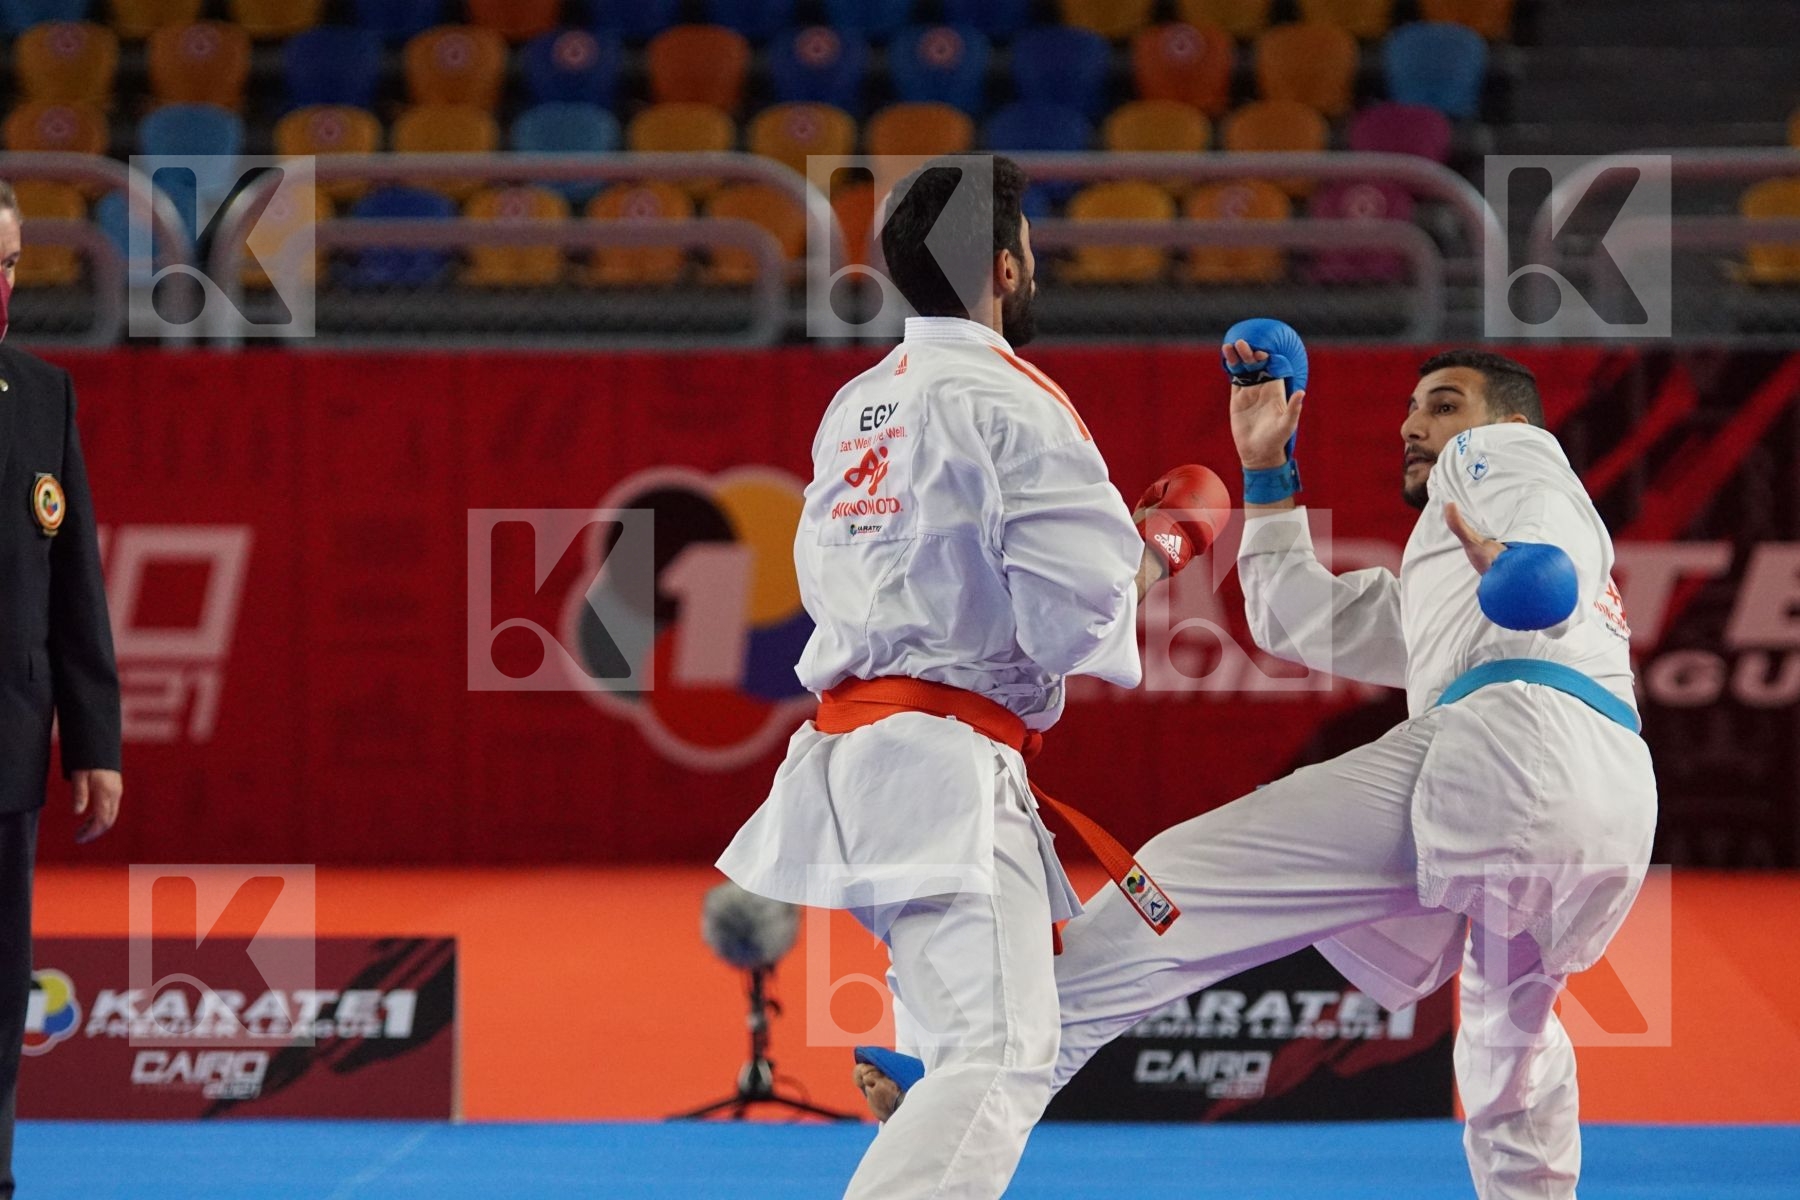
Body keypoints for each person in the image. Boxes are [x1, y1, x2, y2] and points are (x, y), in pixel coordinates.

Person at [859, 344, 1657, 1200]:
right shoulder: (1449, 593)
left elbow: (1540, 531)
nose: (1414, 424)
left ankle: (960, 1071)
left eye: (1445, 404)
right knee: (1511, 1045)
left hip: (1515, 753)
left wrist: (1524, 562)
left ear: (1507, 421)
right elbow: (1292, 617)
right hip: (1605, 802)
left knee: (1181, 883)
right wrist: (1267, 466)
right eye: (1413, 408)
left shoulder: (1506, 461)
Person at [717, 156, 1222, 1199]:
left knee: (968, 1050)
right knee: (1002, 1056)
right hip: (943, 769)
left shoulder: (858, 403)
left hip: (861, 759)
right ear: (1005, 265)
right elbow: (1073, 621)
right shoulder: (1014, 400)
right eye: (1030, 251)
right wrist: (1159, 548)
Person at [0, 179, 124, 1197]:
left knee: (0, 986)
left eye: (7, 263)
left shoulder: (43, 393)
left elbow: (72, 576)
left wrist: (95, 740)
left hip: (8, 741)